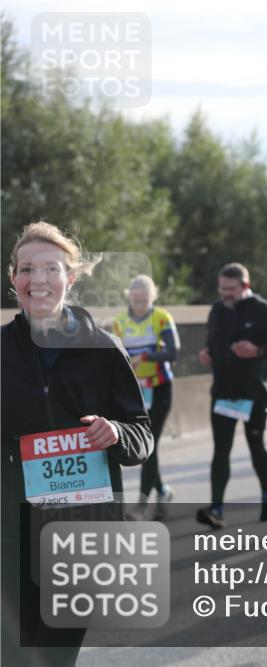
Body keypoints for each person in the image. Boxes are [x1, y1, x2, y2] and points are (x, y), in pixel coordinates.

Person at [2, 222, 152, 667]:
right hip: (12, 533)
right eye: (27, 269)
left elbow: (140, 434)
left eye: (52, 268)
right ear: (14, 279)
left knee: (55, 655)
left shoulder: (104, 348)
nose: (39, 280)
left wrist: (117, 432)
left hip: (82, 530)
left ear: (71, 277)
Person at [196, 262, 267, 529]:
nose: (225, 294)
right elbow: (212, 341)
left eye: (231, 289)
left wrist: (258, 351)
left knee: (255, 446)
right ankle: (216, 508)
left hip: (254, 393)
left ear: (245, 286)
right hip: (223, 392)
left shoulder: (266, 311)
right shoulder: (216, 310)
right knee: (220, 451)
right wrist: (206, 353)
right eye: (222, 288)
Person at [113, 274, 179, 520]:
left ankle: (141, 505)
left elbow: (174, 352)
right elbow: (116, 357)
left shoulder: (162, 318)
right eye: (135, 299)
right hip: (135, 392)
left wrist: (147, 358)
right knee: (148, 445)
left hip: (160, 387)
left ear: (153, 297)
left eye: (144, 300)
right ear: (129, 296)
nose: (139, 304)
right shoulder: (120, 322)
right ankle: (162, 491)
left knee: (149, 445)